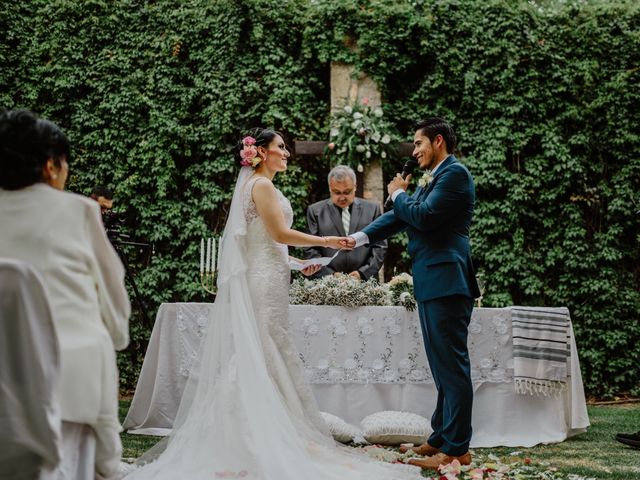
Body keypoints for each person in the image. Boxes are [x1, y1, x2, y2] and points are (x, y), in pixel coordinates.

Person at [126, 128, 422, 480]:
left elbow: (265, 244)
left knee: (265, 352)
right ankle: (250, 434)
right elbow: (280, 235)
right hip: (264, 283)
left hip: (270, 274)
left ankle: (262, 429)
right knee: (266, 351)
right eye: (280, 148)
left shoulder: (260, 186)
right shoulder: (262, 186)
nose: (286, 153)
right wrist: (327, 240)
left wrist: (299, 264)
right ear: (261, 153)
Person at [0, 109, 131, 479]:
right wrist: (116, 334)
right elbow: (113, 295)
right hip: (71, 380)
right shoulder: (80, 211)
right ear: (51, 165)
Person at [344, 117, 480, 470]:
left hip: (448, 281)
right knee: (441, 366)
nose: (414, 151)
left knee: (452, 366)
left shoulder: (455, 175)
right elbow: (400, 218)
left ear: (437, 142)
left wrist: (398, 193)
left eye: (418, 144)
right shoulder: (431, 179)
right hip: (432, 281)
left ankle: (457, 449)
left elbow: (423, 217)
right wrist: (357, 239)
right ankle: (440, 437)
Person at [305, 165, 387, 280]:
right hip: (327, 285)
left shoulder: (373, 209)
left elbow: (380, 246)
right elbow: (310, 248)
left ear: (355, 187)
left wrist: (362, 273)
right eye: (337, 192)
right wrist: (330, 275)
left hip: (365, 282)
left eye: (347, 192)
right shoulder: (315, 211)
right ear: (330, 188)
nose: (342, 197)